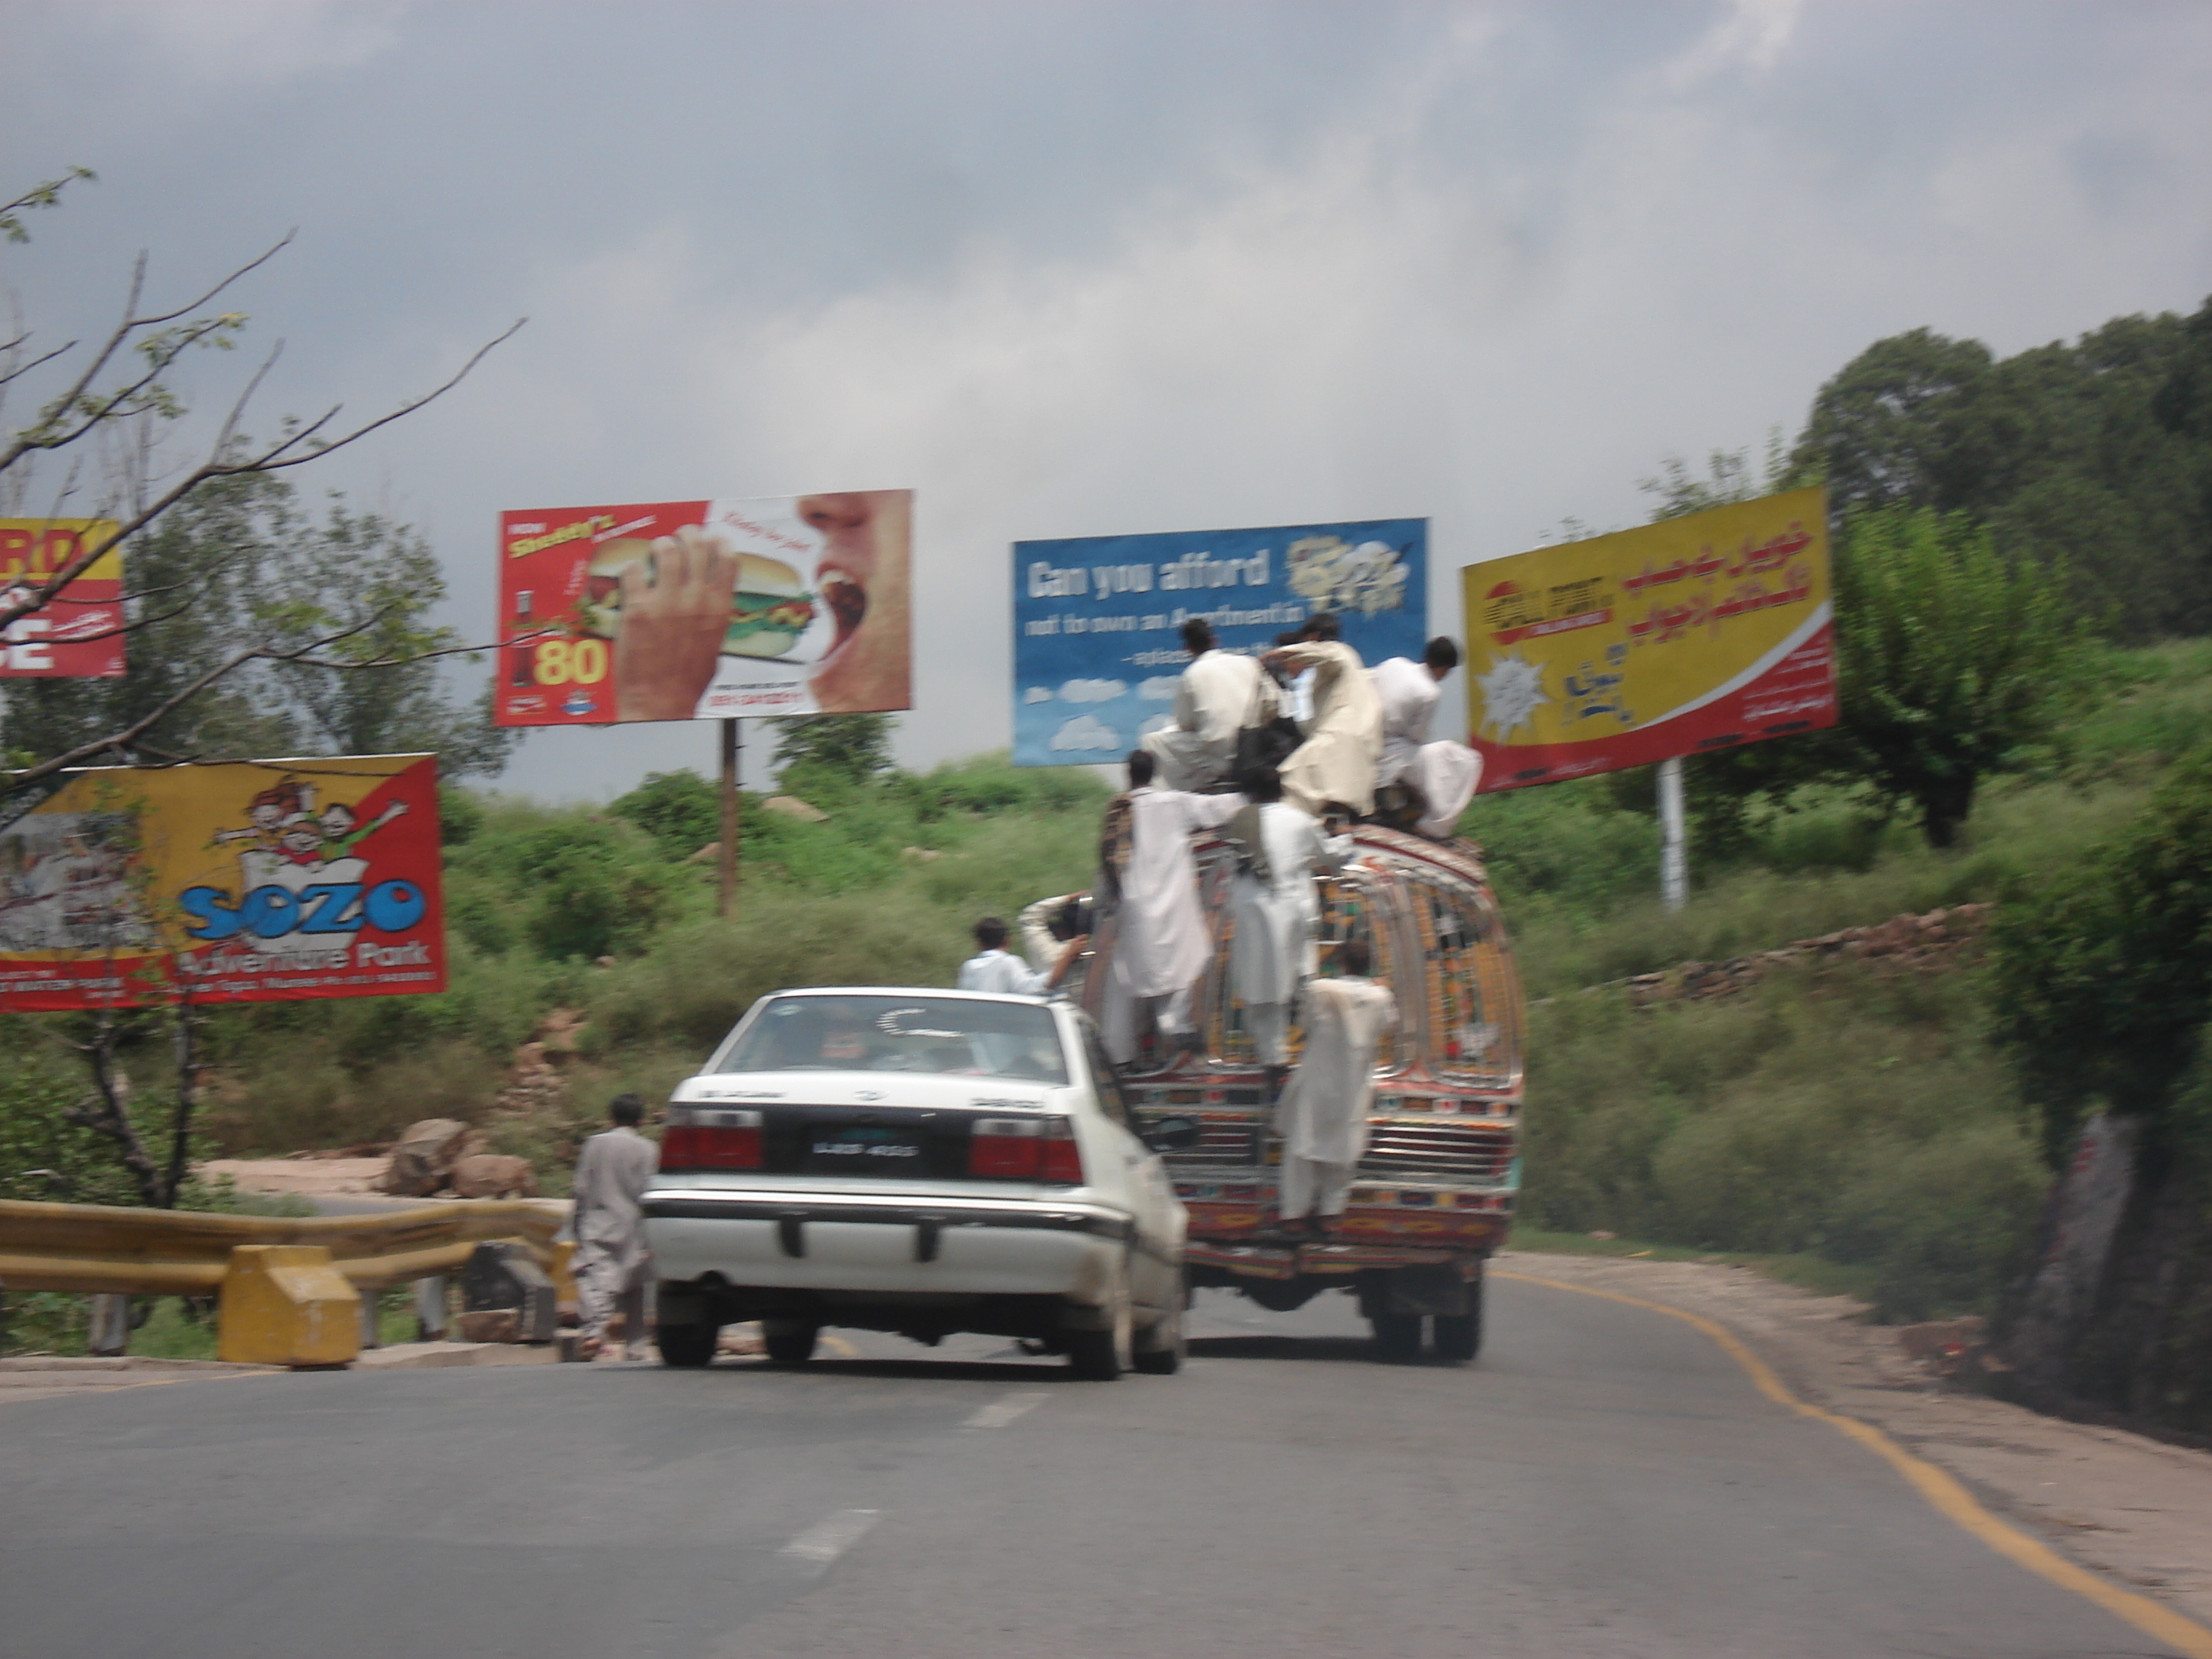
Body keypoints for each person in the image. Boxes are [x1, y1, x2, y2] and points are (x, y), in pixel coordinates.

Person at [1097, 749, 1243, 1065]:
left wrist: (1103, 904)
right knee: (1184, 962)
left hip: (1133, 910)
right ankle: (1175, 1025)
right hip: (1172, 905)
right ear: (1155, 772)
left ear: (1128, 774)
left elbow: (1106, 862)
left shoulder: (1116, 812)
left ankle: (1119, 1055)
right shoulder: (1174, 803)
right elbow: (1222, 806)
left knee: (1123, 980)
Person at [1223, 769, 1348, 1089]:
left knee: (1258, 991)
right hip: (1288, 912)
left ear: (1250, 794)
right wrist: (1347, 839)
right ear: (1281, 791)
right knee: (1299, 982)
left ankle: (1273, 1059)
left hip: (1250, 913)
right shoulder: (1298, 819)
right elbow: (1329, 854)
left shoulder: (1237, 822)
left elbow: (1228, 866)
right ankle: (1309, 1050)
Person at [1274, 936, 1397, 1236]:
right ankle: (1331, 1214)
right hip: (1353, 1084)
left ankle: (1293, 1214)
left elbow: (1304, 1024)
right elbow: (1389, 1026)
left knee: (1301, 1150)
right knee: (1344, 1150)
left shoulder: (1320, 989)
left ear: (1341, 962)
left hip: (1317, 1079)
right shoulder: (1381, 997)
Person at [1265, 613, 1385, 819]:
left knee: (1294, 777)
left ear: (1313, 638)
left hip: (1343, 733)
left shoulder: (1338, 652)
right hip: (1349, 734)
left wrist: (1280, 653)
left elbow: (1325, 654)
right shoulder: (1338, 667)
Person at [569, 1093, 660, 1361]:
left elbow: (581, 1188)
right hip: (634, 1225)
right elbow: (652, 1190)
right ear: (641, 1120)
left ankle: (594, 1331)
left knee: (595, 1278)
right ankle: (636, 1345)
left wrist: (577, 1224)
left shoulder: (593, 1145)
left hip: (597, 1221)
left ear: (611, 1117)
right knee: (636, 1284)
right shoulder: (649, 1149)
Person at [1140, 617, 1276, 793]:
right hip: (1256, 748)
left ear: (1187, 648)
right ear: (1215, 640)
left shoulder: (1192, 674)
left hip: (1219, 757)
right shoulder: (1249, 662)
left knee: (1153, 741)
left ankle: (1176, 797)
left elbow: (1184, 724)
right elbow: (1273, 702)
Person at [1371, 636, 1484, 839]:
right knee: (1465, 759)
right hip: (1392, 751)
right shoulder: (1430, 692)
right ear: (1445, 668)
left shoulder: (1395, 663)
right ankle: (1435, 824)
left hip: (1366, 735)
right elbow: (1417, 735)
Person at [1016, 892, 1094, 998]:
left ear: (1063, 929)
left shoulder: (1048, 952)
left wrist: (1071, 897)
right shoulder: (1093, 956)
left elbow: (1030, 917)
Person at [958, 916, 1049, 994]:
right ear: (1008, 940)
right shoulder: (1009, 962)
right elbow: (1030, 988)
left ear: (979, 943)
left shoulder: (968, 966)